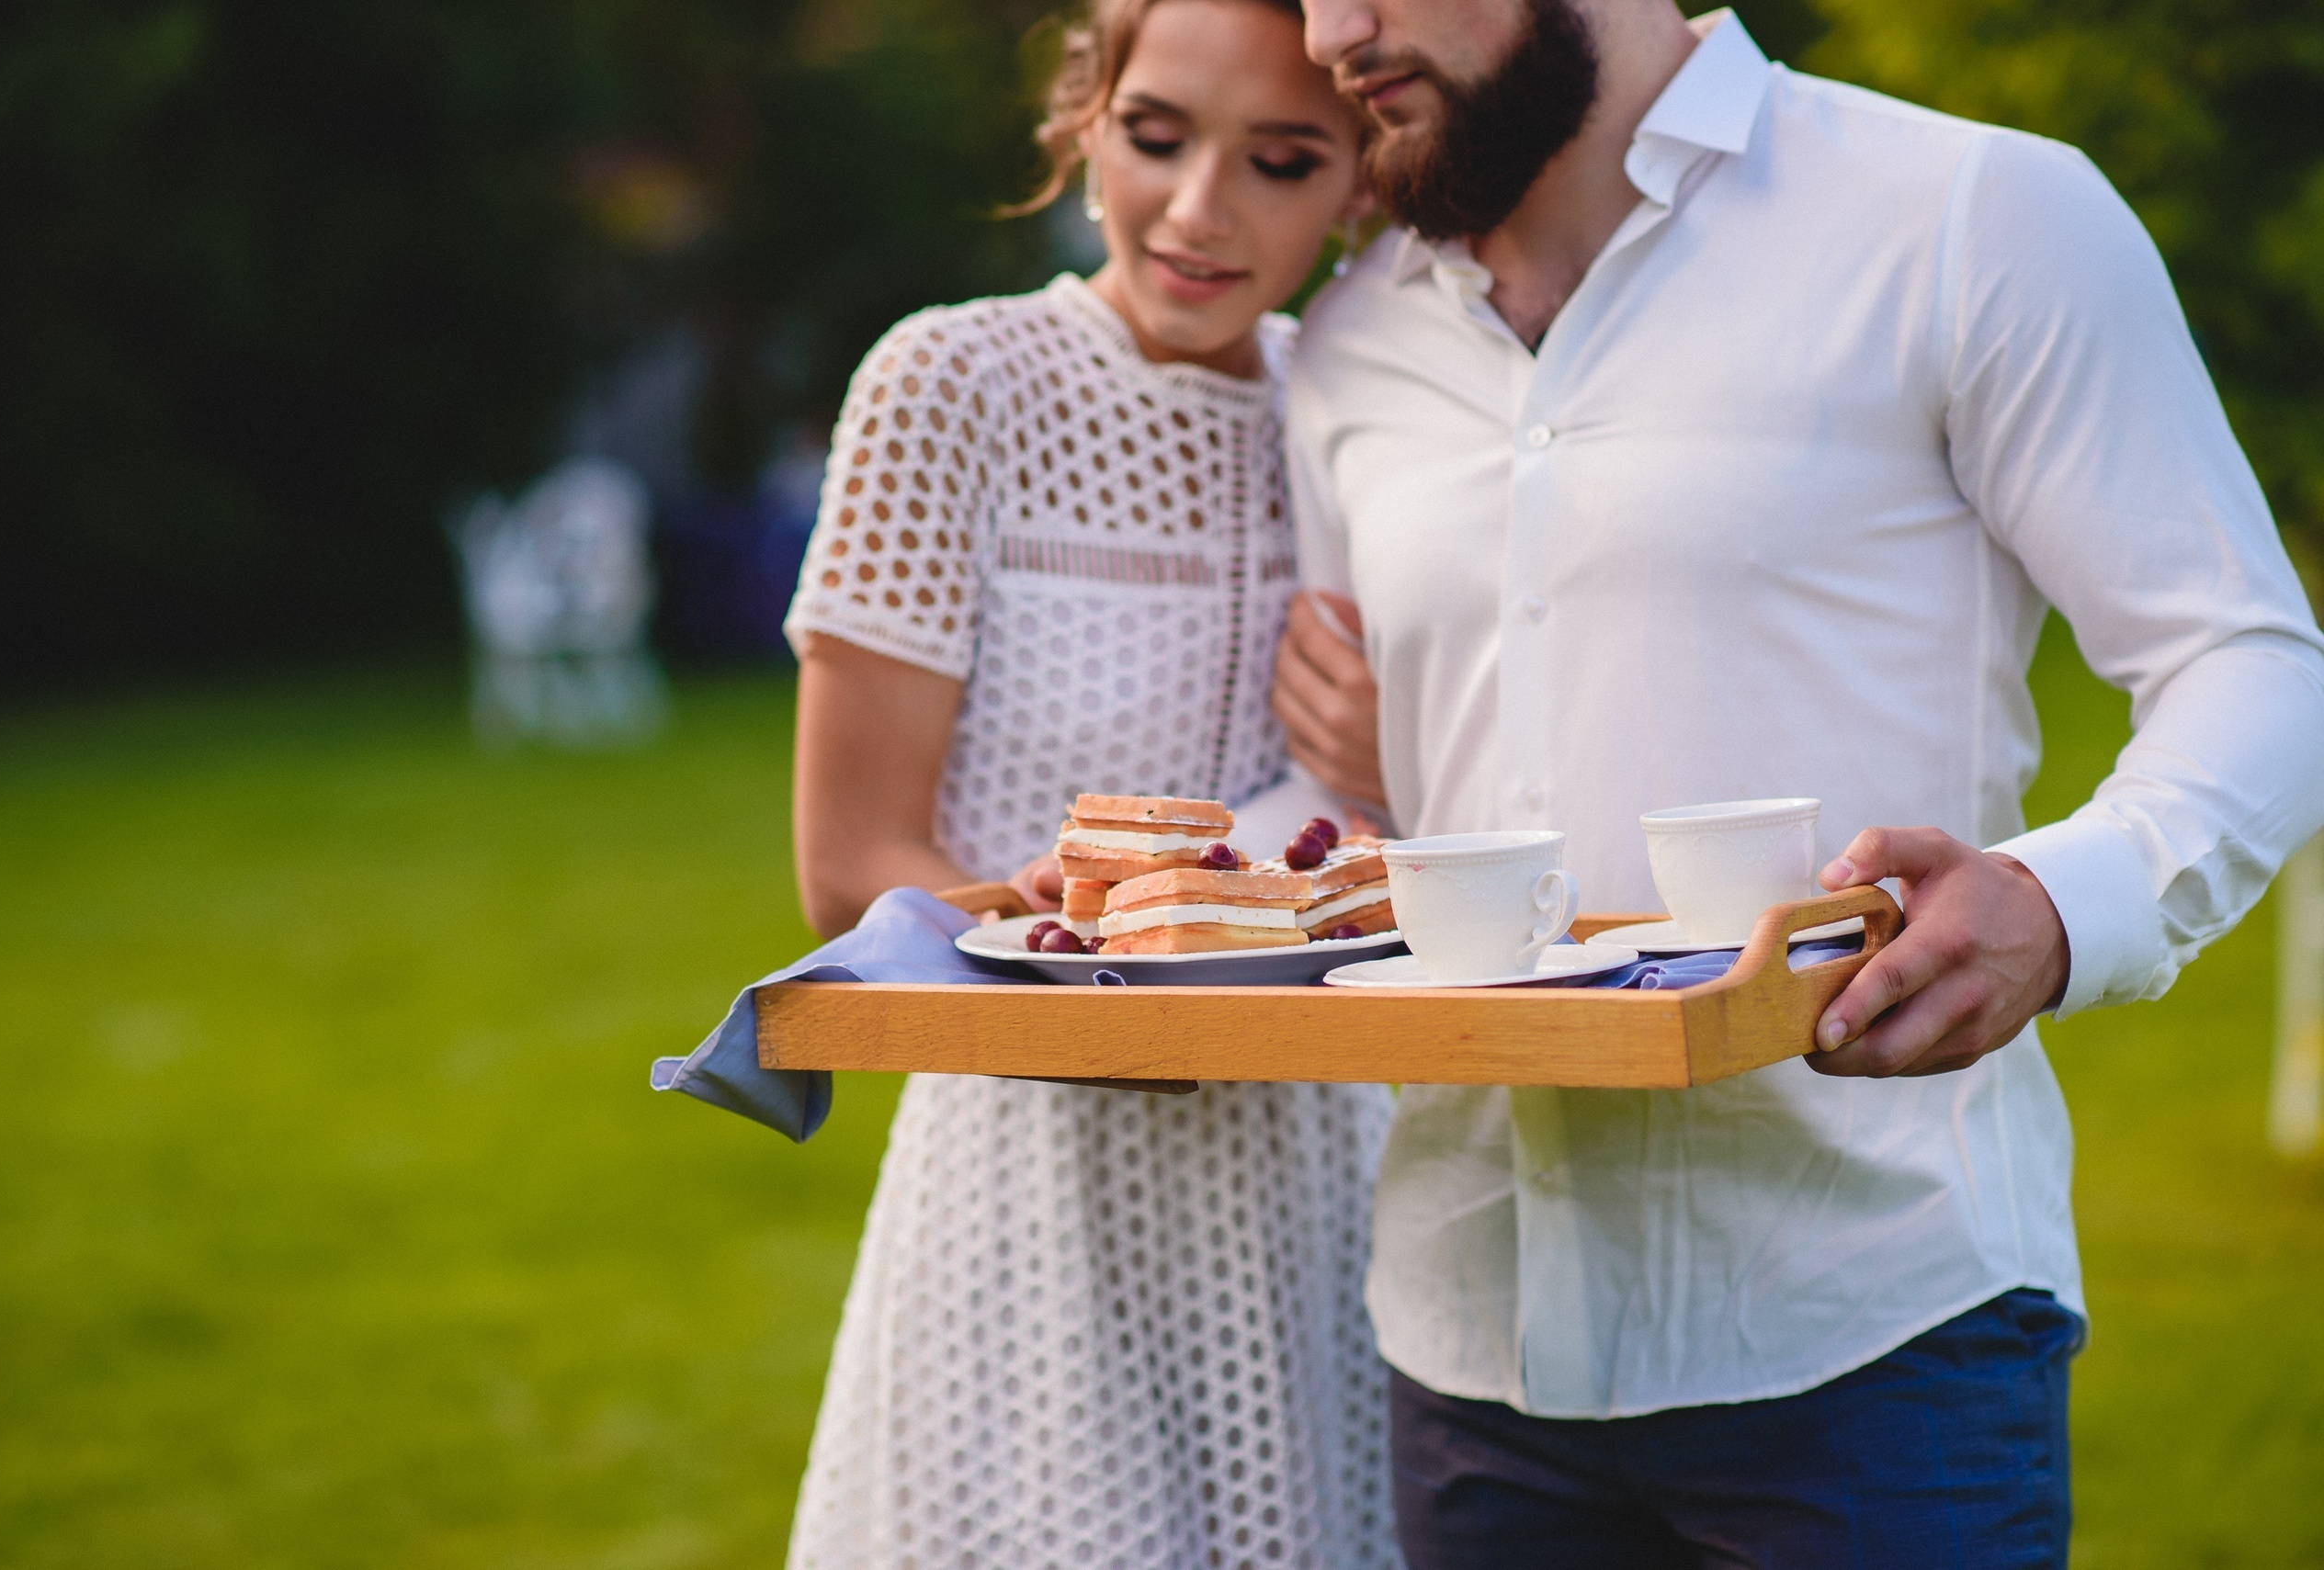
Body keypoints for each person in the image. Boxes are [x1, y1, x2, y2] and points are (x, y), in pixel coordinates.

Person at [1271, 0, 2324, 1564]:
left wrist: (2054, 903)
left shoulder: (1973, 217)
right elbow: (1389, 797)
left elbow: (2252, 659)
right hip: (1465, 1356)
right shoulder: (1350, 344)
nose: (1329, 31)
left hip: (1875, 1347)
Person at [779, 3, 1401, 1564]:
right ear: (1086, 115)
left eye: (1280, 160)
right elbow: (851, 861)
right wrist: (1057, 938)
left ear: (1365, 179)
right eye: (1156, 137)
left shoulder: (1378, 408)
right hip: (1031, 1184)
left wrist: (1390, 774)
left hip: (1324, 1177)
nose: (1199, 212)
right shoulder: (951, 385)